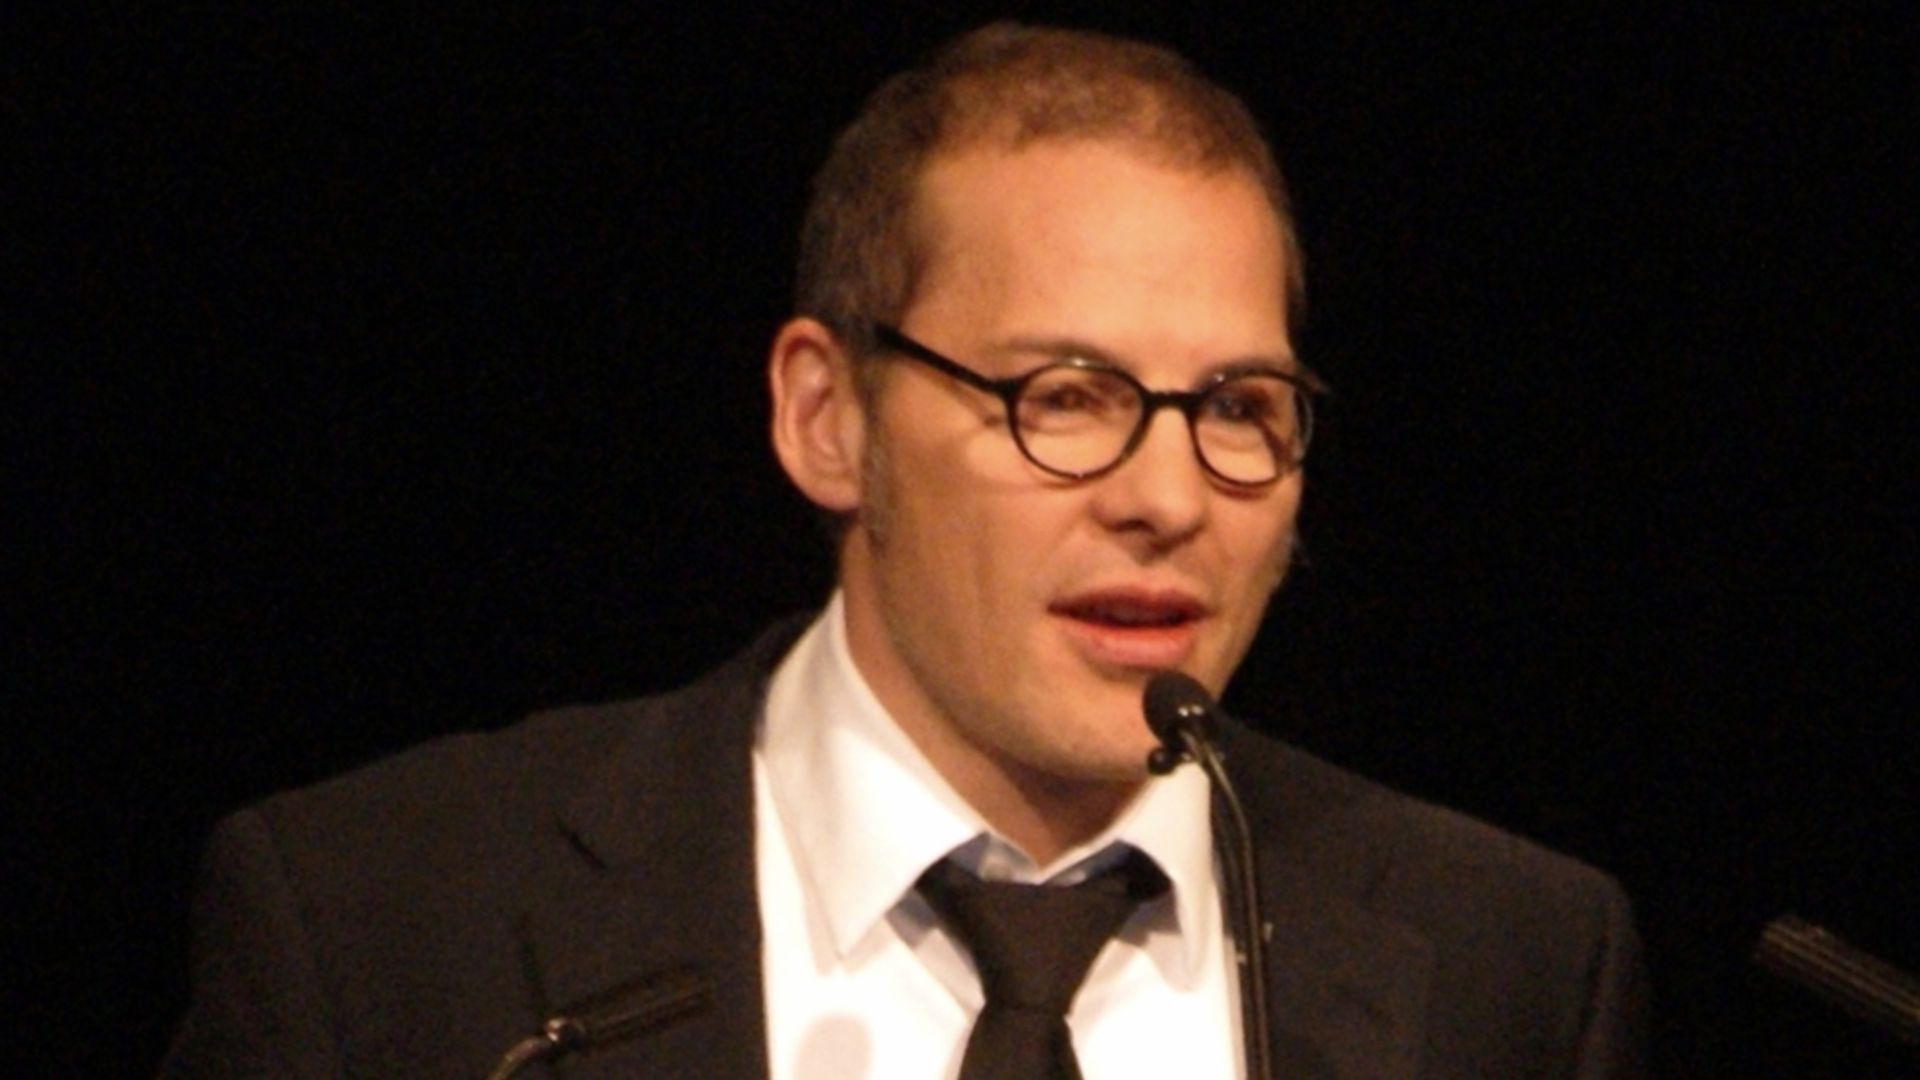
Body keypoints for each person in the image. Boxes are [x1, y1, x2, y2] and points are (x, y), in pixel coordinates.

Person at [163, 23, 1647, 1079]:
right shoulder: (384, 928)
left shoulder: (1512, 963)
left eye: (1242, 409)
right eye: (1067, 396)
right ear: (828, 421)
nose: (1169, 494)